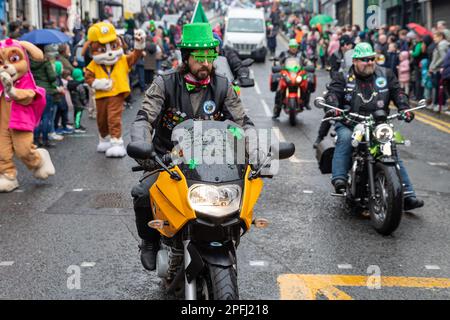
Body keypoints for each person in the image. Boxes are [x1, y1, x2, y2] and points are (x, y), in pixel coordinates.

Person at [129, 22, 255, 271]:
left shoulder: (223, 86)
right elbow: (144, 117)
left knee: (240, 199)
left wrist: (257, 151)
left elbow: (244, 122)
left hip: (214, 161)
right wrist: (142, 145)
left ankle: (227, 240)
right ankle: (149, 241)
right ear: (186, 57)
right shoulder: (164, 83)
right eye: (200, 57)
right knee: (142, 193)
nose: (206, 63)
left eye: (210, 56)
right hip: (168, 161)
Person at [324, 42, 424, 211]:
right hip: (350, 121)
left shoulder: (385, 74)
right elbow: (333, 94)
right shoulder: (342, 77)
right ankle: (339, 178)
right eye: (365, 59)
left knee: (390, 147)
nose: (369, 62)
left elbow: (398, 92)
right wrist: (333, 108)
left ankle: (407, 195)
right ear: (355, 61)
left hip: (378, 124)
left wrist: (404, 108)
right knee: (345, 138)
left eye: (372, 58)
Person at [272, 39, 310, 119]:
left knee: (307, 86)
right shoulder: (284, 54)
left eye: (295, 46)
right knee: (279, 90)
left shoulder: (301, 54)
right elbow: (279, 61)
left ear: (297, 47)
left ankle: (306, 103)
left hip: (298, 74)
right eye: (292, 46)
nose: (293, 48)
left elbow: (307, 61)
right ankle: (277, 109)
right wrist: (277, 64)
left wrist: (309, 64)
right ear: (289, 47)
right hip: (286, 74)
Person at [68, 68, 89, 133]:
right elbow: (82, 94)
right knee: (78, 114)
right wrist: (85, 102)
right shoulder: (79, 85)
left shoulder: (70, 84)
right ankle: (77, 127)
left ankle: (77, 124)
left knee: (76, 113)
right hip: (79, 102)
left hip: (74, 101)